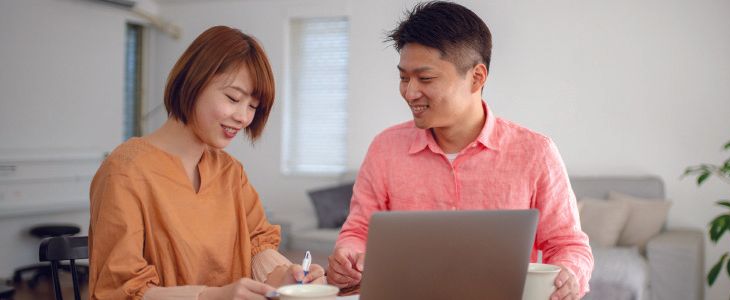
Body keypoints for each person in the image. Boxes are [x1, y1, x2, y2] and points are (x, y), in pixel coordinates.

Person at [326, 2, 593, 299]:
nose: (410, 92)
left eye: (425, 79)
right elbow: (359, 231)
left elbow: (568, 244)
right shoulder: (385, 149)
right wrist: (347, 256)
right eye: (404, 77)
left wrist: (569, 274)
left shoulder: (535, 152)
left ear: (477, 77)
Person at [88, 26, 325, 300]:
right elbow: (121, 289)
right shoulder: (125, 172)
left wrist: (285, 275)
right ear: (193, 81)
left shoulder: (230, 172)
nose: (243, 117)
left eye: (253, 107)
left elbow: (257, 244)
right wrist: (212, 295)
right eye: (233, 98)